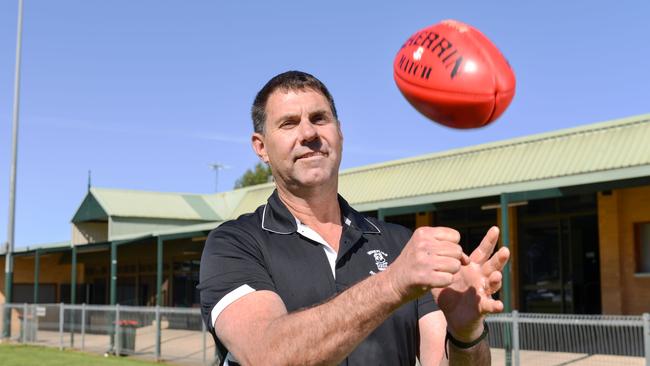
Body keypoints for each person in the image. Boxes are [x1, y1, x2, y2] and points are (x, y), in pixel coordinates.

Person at [199, 70, 510, 366]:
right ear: (261, 147)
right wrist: (393, 283)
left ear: (340, 133)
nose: (309, 133)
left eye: (320, 118)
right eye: (289, 123)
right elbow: (267, 355)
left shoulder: (401, 244)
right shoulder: (235, 244)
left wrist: (466, 335)